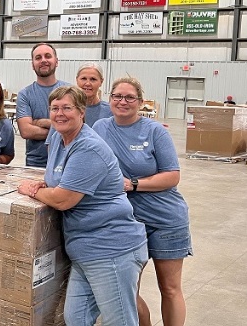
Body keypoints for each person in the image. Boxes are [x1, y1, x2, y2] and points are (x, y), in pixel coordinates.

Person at [18, 86, 148, 326]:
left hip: (110, 249)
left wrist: (32, 191)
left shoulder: (89, 147)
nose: (60, 114)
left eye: (67, 108)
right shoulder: (58, 136)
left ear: (81, 112)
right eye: (55, 108)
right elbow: (59, 178)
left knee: (119, 321)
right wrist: (45, 184)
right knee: (76, 318)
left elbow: (63, 199)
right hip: (83, 250)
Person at [93, 77, 192, 326]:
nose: (122, 102)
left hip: (165, 219)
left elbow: (172, 176)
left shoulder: (154, 130)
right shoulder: (101, 128)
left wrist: (133, 184)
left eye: (129, 97)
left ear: (140, 102)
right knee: (127, 290)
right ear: (110, 99)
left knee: (169, 288)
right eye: (117, 96)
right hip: (127, 222)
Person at [16, 43, 70, 167]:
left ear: (56, 61)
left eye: (48, 56)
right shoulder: (25, 94)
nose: (43, 60)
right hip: (35, 163)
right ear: (32, 64)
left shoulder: (70, 91)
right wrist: (62, 130)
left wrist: (42, 123)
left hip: (66, 161)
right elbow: (26, 131)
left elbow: (77, 128)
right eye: (38, 57)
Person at [76, 62, 112, 127]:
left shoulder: (110, 111)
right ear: (77, 80)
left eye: (93, 79)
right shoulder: (67, 109)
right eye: (83, 79)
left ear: (101, 82)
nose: (87, 83)